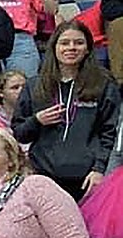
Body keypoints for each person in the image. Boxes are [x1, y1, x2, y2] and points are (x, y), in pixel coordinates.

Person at [12, 20, 120, 199]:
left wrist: (100, 169)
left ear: (87, 48)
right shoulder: (34, 86)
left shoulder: (104, 85)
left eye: (78, 43)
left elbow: (111, 132)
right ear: (54, 47)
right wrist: (37, 121)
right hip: (44, 177)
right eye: (65, 43)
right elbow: (19, 133)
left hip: (88, 179)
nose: (71, 48)